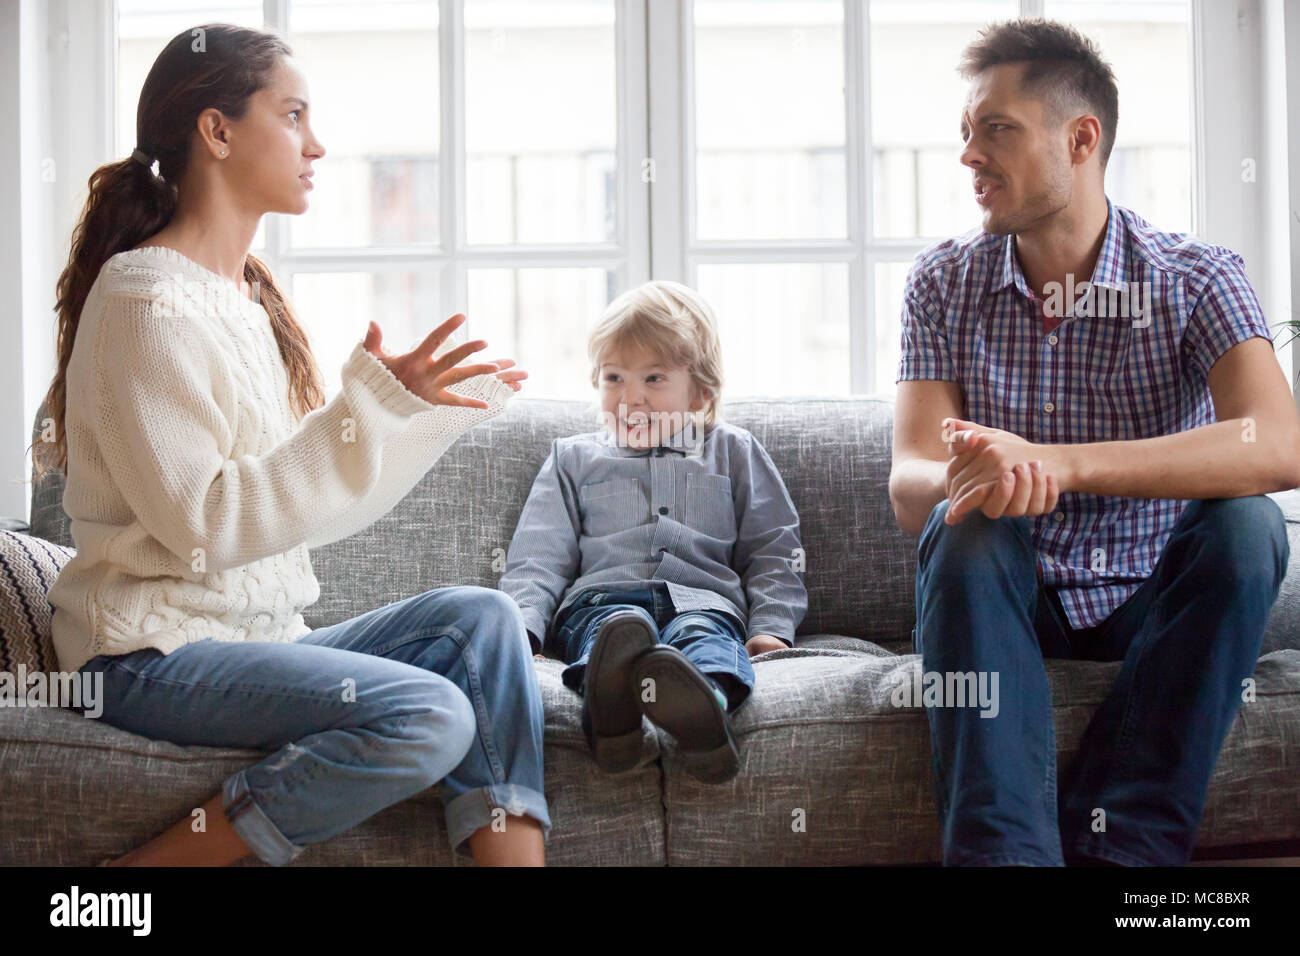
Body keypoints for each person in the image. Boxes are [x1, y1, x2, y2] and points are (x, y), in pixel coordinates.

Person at [38, 23, 549, 866]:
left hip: (248, 643)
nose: (318, 143)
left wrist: (408, 417)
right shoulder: (145, 303)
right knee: (430, 714)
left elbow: (295, 518)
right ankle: (145, 874)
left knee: (484, 622)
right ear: (218, 129)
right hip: (140, 659)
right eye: (294, 114)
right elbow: (209, 524)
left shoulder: (241, 302)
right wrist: (361, 413)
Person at [889, 18, 1298, 865]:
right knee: (967, 527)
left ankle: (1130, 851)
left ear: (1082, 138)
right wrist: (979, 479)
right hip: (1009, 601)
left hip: (1147, 594)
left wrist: (1058, 466)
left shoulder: (1195, 277)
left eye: (995, 129)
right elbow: (910, 479)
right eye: (965, 132)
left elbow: (1278, 442)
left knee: (1247, 527)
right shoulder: (941, 282)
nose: (968, 155)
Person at [497, 280, 807, 783]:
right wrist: (523, 628)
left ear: (702, 390)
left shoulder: (733, 451)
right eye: (614, 377)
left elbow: (774, 548)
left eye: (654, 379)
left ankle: (705, 709)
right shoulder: (573, 459)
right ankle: (612, 716)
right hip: (601, 602)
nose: (629, 398)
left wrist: (771, 626)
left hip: (701, 601)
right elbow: (538, 556)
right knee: (615, 632)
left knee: (703, 638)